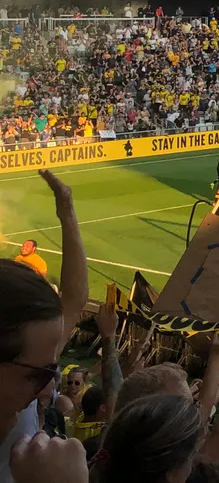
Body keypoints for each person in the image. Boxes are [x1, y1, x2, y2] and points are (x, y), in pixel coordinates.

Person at [0, 170, 87, 483]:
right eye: (38, 374)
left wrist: (67, 210)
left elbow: (75, 300)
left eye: (52, 371)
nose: (48, 389)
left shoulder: (18, 391)